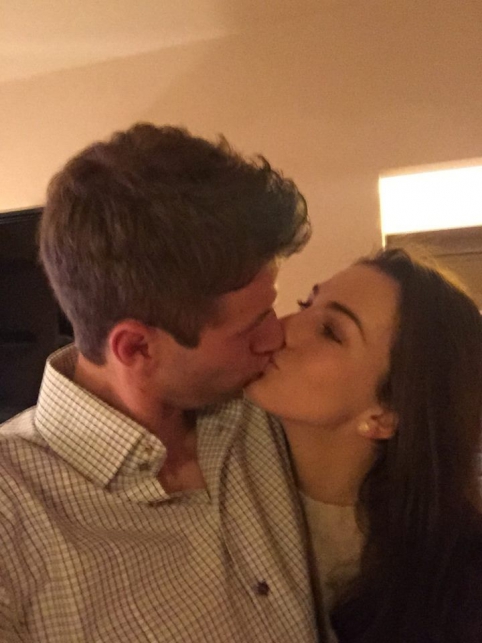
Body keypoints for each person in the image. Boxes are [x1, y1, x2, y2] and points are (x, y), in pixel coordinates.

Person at [0, 124, 319, 642]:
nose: (275, 336)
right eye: (250, 326)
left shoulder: (266, 410)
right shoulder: (11, 515)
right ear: (136, 348)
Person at [246, 247, 482, 643]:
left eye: (330, 331)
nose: (279, 328)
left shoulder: (447, 584)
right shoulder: (219, 462)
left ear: (384, 416)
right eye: (306, 304)